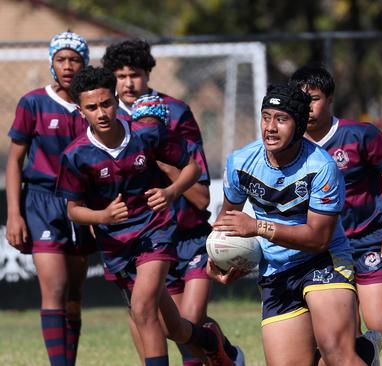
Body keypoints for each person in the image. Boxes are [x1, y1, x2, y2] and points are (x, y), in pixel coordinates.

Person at [56, 66, 234, 366]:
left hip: (155, 231)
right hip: (116, 245)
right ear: (79, 110)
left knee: (141, 308)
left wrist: (172, 192)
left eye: (106, 103)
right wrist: (103, 216)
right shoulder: (76, 155)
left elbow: (192, 168)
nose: (101, 113)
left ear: (115, 99)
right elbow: (72, 210)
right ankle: (211, 342)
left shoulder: (146, 133)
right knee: (172, 327)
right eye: (91, 107)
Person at [209, 83, 380, 366]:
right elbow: (227, 221)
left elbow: (318, 239)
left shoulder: (322, 167)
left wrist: (259, 227)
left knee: (335, 352)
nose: (270, 127)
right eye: (266, 117)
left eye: (282, 119)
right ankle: (364, 352)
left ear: (299, 125)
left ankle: (356, 353)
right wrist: (220, 258)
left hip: (323, 261)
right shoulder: (240, 162)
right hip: (276, 269)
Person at [101, 38, 240, 366]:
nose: (128, 83)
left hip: (186, 235)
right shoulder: (106, 122)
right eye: (120, 76)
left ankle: (227, 353)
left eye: (134, 74)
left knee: (186, 322)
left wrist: (161, 164)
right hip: (140, 238)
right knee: (152, 318)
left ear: (147, 74)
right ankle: (225, 354)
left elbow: (201, 194)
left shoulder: (175, 113)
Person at [290, 64, 382, 366]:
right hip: (321, 249)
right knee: (343, 339)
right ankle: (366, 354)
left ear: (329, 99)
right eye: (300, 101)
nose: (307, 108)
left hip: (368, 241)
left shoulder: (360, 135)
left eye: (313, 99)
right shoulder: (290, 146)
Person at [5, 31, 93, 366]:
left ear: (84, 63)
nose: (68, 65)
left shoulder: (94, 105)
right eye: (61, 59)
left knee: (73, 296)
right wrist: (14, 214)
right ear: (52, 63)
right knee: (54, 289)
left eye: (75, 59)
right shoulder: (33, 103)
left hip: (82, 205)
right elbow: (14, 161)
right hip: (42, 202)